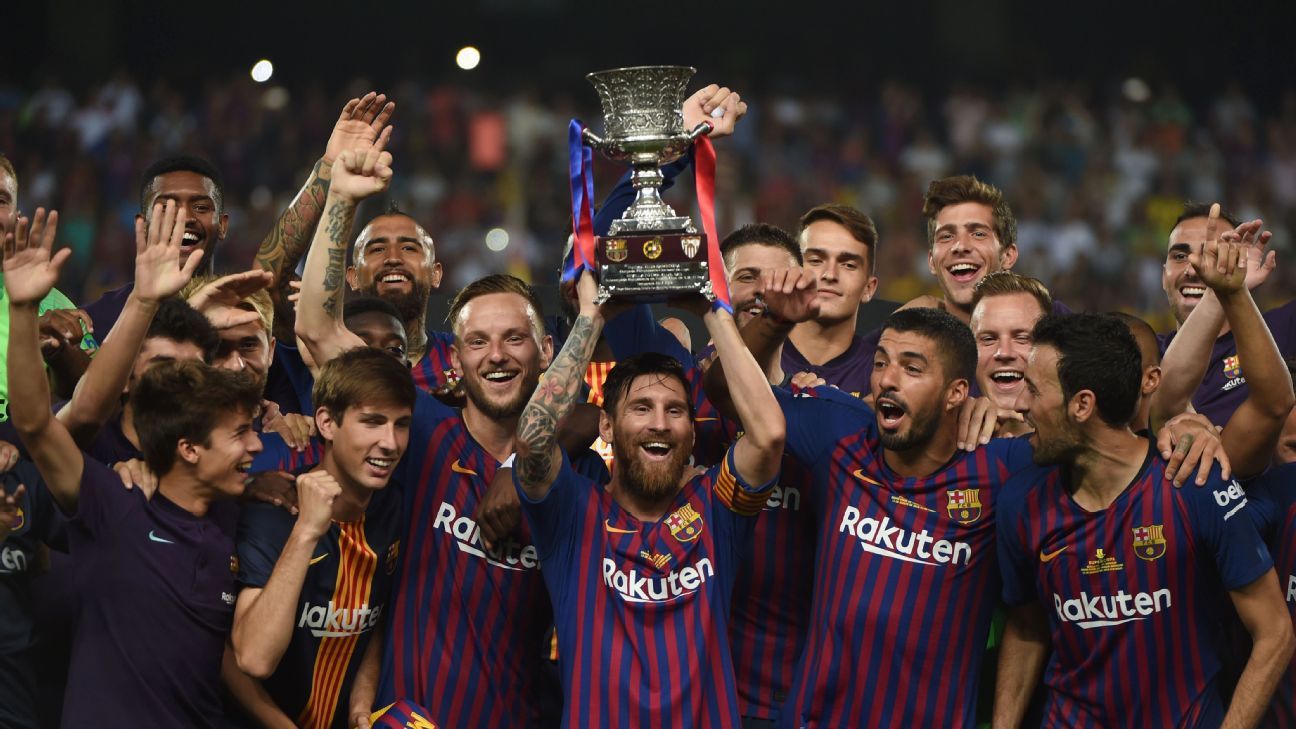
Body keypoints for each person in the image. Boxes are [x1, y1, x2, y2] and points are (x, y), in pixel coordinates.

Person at [293, 135, 556, 728]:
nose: (497, 355)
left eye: (514, 339)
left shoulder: (574, 473)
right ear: (454, 359)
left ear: (545, 351)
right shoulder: (423, 428)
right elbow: (317, 330)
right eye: (478, 342)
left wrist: (520, 462)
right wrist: (340, 199)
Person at [4, 205, 264, 727]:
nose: (255, 446)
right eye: (164, 369)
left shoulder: (230, 509)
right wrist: (25, 310)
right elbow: (40, 422)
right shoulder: (115, 497)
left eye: (193, 372)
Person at [512, 265, 787, 726]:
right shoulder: (574, 515)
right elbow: (533, 441)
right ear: (606, 426)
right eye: (641, 408)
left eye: (674, 410)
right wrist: (591, 318)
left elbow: (769, 436)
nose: (659, 423)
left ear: (692, 433)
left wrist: (712, 311)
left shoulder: (715, 509)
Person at [995, 313, 1293, 728]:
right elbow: (1027, 629)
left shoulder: (1193, 484)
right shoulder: (1020, 501)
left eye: (1033, 389)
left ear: (1082, 404)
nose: (1020, 404)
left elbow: (1275, 633)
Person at [231, 347, 415, 729]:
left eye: (401, 424)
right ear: (327, 423)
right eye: (372, 422)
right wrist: (306, 531)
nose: (391, 442)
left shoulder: (395, 507)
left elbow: (374, 618)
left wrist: (361, 705)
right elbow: (252, 659)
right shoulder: (273, 513)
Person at [1157, 203, 1296, 429]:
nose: (1193, 269)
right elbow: (1162, 406)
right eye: (1180, 256)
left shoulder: (1284, 331)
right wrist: (1220, 291)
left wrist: (1231, 289)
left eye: (1214, 255)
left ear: (1240, 263)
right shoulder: (1143, 353)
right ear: (1164, 276)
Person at [0, 153, 97, 418]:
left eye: (1, 201)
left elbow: (101, 402)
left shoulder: (53, 305)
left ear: (16, 217)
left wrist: (61, 353)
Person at [969, 270, 1053, 437]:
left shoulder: (1088, 445)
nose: (1004, 353)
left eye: (1022, 338)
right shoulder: (947, 443)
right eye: (988, 339)